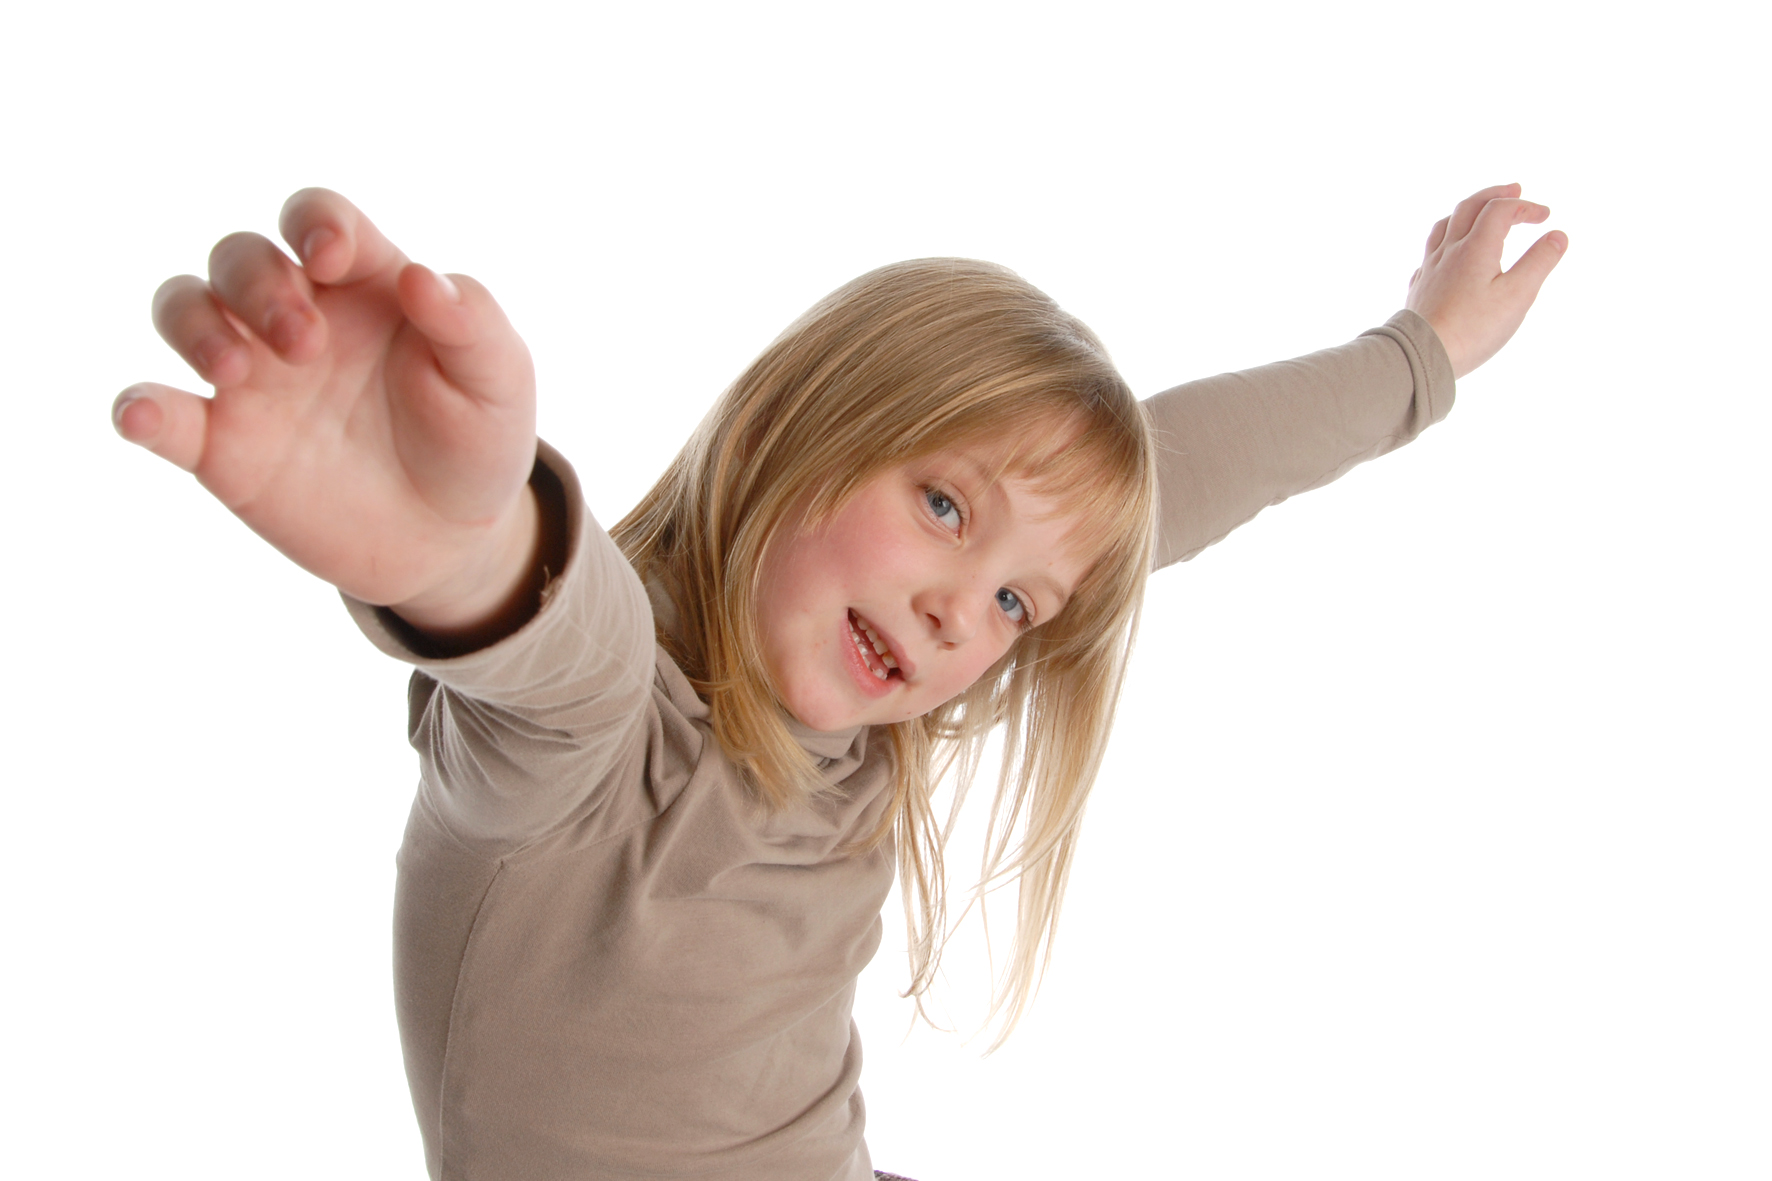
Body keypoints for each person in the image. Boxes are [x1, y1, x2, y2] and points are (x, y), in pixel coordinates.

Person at [111, 184, 1565, 1181]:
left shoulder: (877, 716)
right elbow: (549, 640)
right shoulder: (591, 748)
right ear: (789, 428)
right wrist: (461, 544)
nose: (960, 611)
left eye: (1014, 601)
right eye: (942, 506)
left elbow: (1178, 477)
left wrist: (1421, 353)